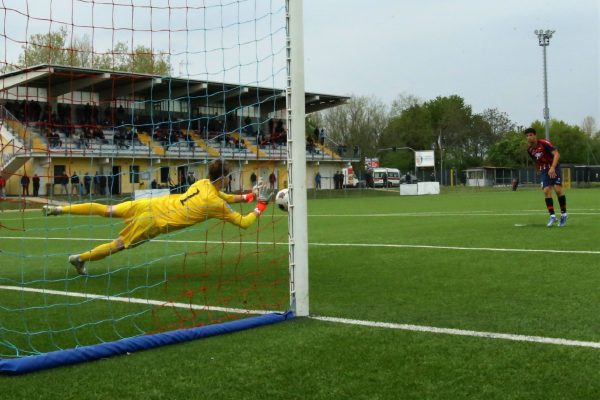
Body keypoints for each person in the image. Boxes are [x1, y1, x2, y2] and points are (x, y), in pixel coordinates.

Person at [42, 160, 274, 275]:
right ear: (222, 178)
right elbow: (244, 223)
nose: (229, 180)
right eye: (228, 177)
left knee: (107, 210)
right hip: (154, 222)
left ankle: (60, 209)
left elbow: (222, 195)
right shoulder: (214, 204)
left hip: (151, 204)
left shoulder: (203, 184)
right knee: (119, 244)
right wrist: (261, 204)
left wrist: (247, 196)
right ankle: (79, 258)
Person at [525, 127, 567, 227]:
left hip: (554, 166)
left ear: (535, 135)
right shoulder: (530, 149)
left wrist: (552, 167)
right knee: (546, 191)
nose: (529, 137)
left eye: (530, 135)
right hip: (544, 169)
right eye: (527, 136)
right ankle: (552, 216)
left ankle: (564, 214)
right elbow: (535, 160)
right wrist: (538, 169)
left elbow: (557, 154)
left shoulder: (544, 143)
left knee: (558, 190)